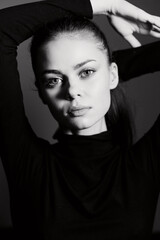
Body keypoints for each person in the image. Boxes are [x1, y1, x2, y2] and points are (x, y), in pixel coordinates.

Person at [0, 0, 160, 239]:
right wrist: (107, 4)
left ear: (113, 75)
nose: (72, 91)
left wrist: (108, 68)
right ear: (43, 93)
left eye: (86, 73)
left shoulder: (144, 164)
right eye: (53, 80)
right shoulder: (28, 165)